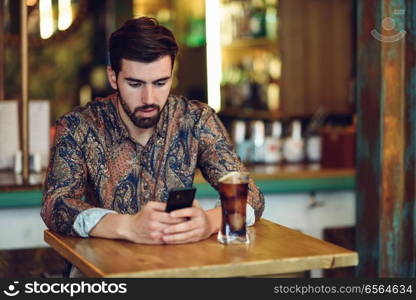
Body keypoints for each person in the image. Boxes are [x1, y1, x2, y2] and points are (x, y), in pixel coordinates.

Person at [41, 17, 264, 251]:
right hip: (101, 274)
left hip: (176, 270)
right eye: (135, 84)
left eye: (160, 83)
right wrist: (127, 226)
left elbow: (251, 197)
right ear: (112, 77)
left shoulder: (196, 120)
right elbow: (55, 205)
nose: (148, 99)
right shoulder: (78, 126)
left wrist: (209, 222)